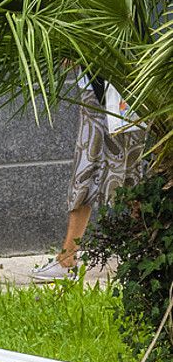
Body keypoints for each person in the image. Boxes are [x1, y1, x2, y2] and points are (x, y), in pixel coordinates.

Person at [34, 74, 147, 282]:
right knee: (93, 169)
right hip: (104, 87)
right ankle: (67, 259)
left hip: (124, 85)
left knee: (127, 173)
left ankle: (143, 255)